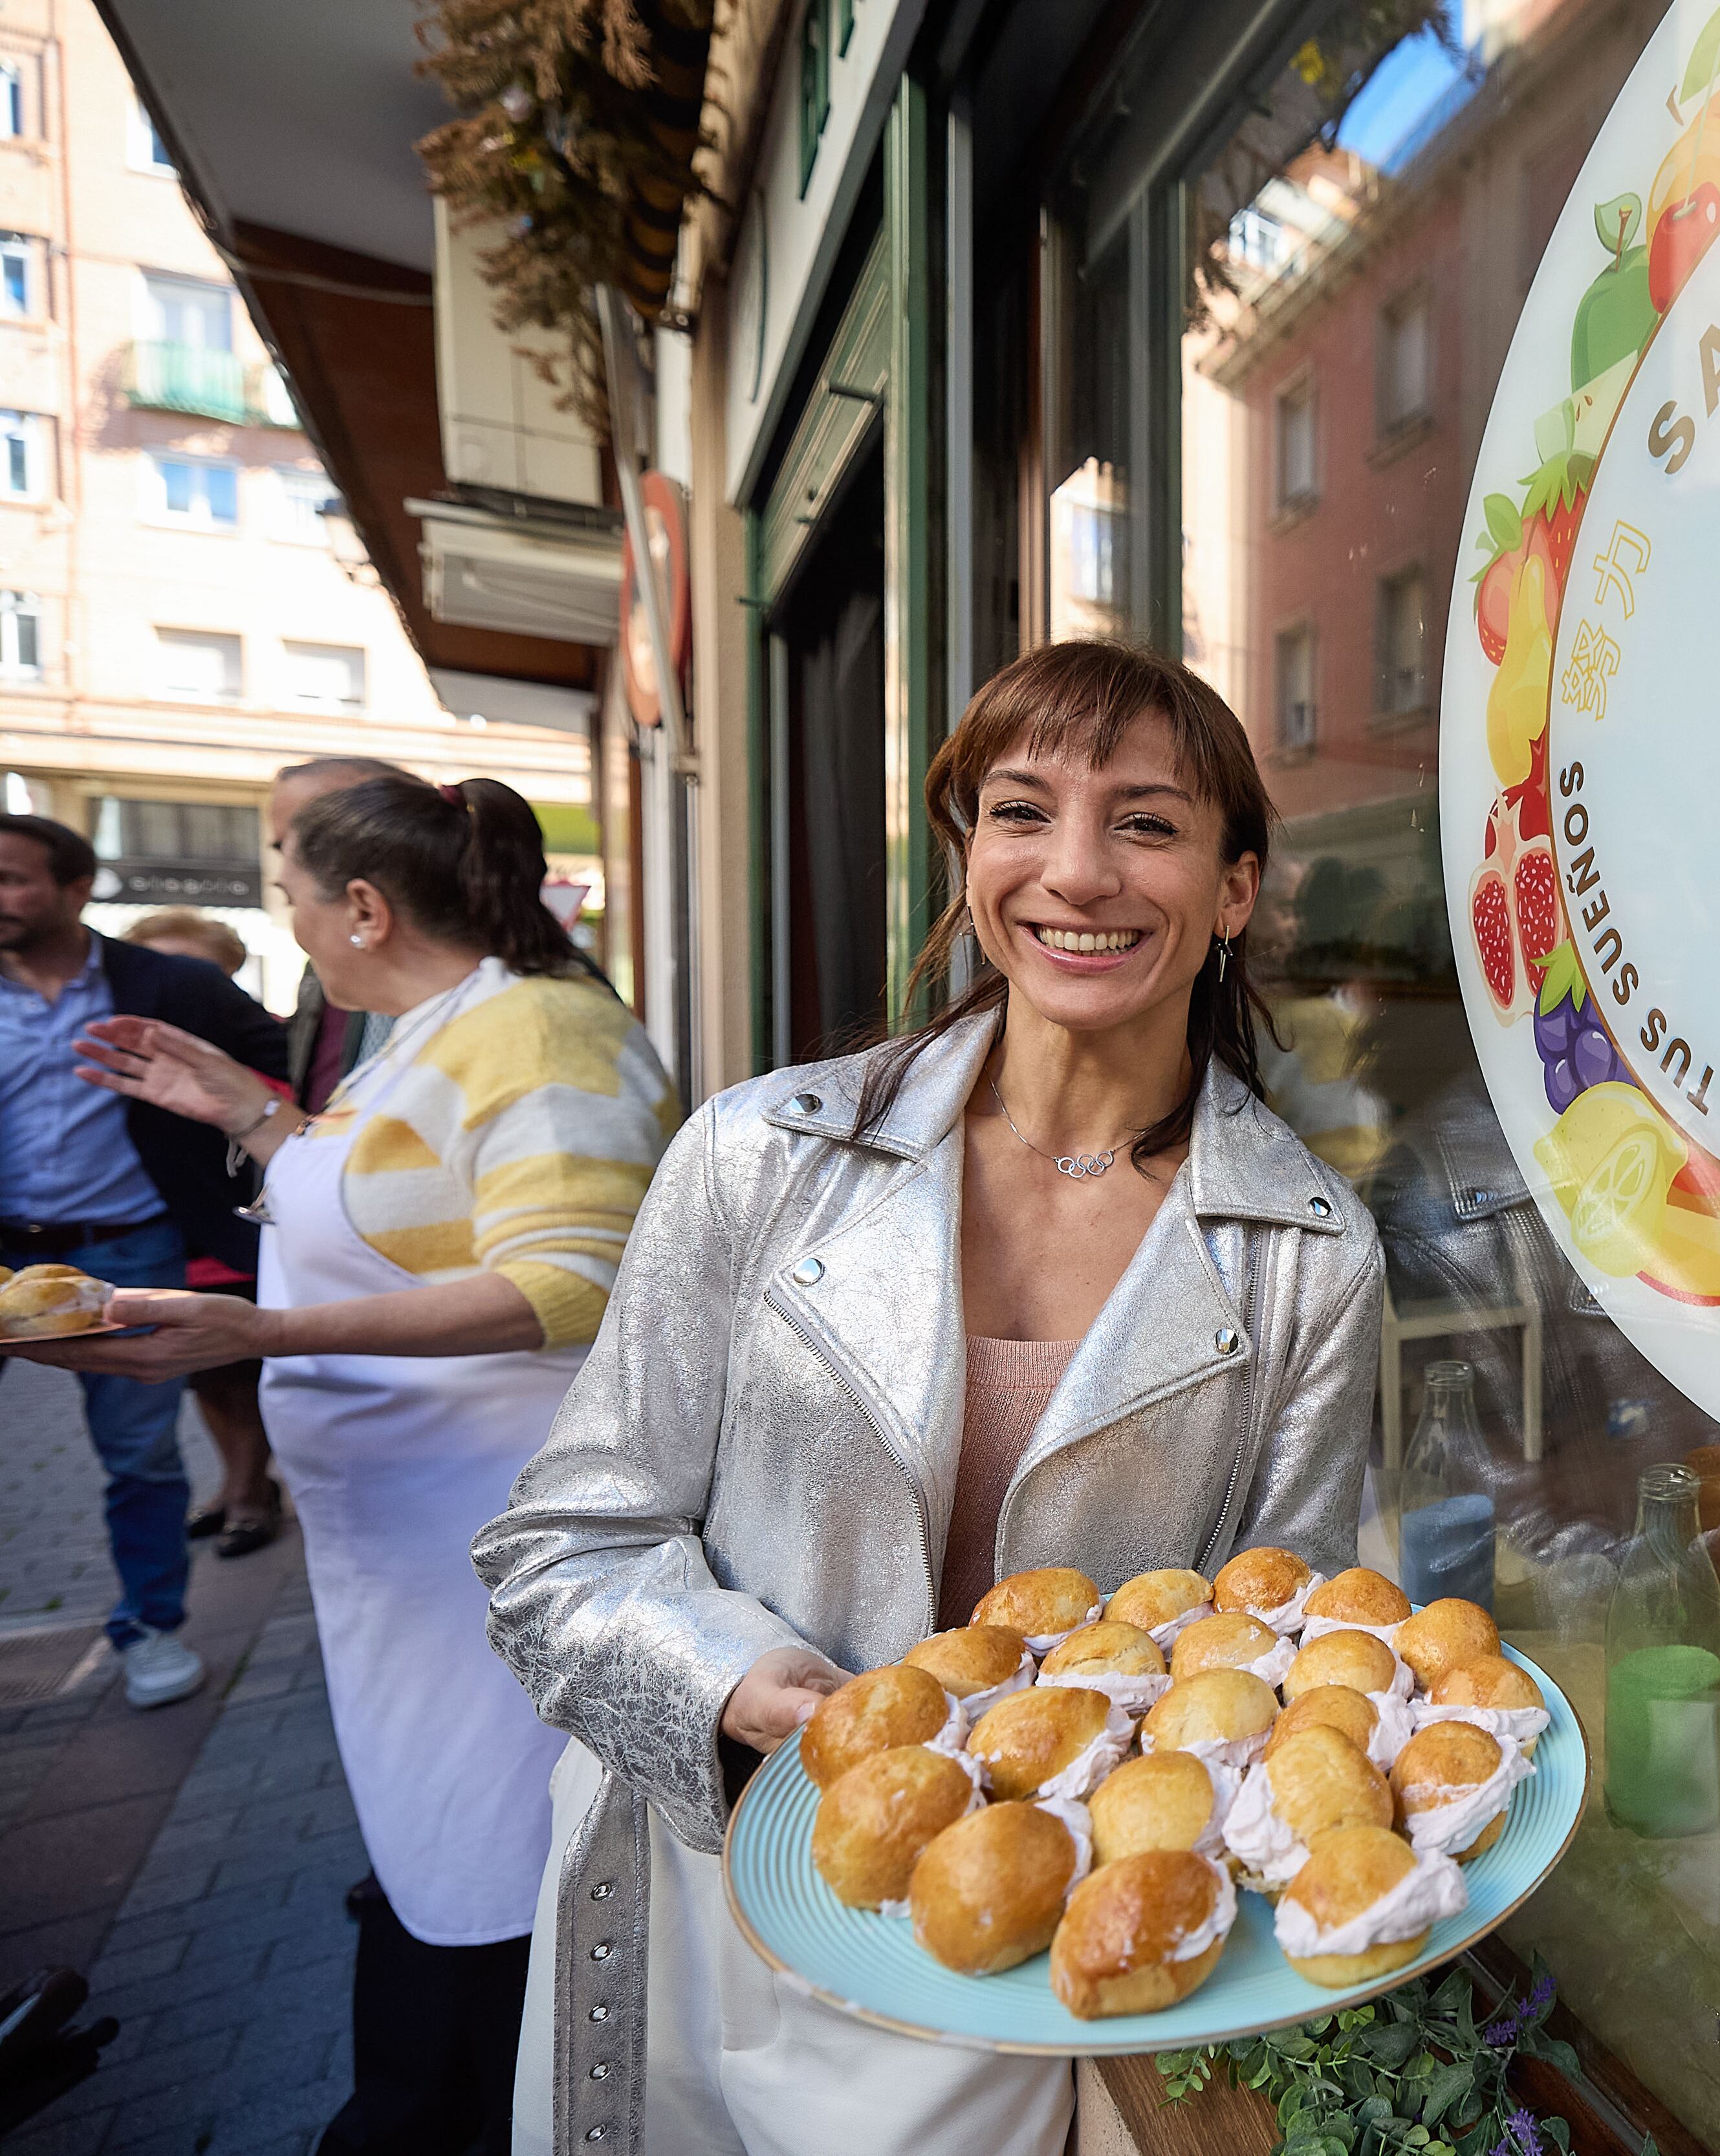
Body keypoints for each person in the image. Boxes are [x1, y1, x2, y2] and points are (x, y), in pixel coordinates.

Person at [473, 641, 1382, 2156]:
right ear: (969, 857)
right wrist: (724, 1680)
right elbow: (557, 1549)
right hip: (727, 1926)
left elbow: (1279, 1660)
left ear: (1234, 890)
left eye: (1147, 824)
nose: (1077, 873)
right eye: (1024, 813)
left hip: (1040, 1967)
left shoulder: (1307, 1255)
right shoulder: (759, 1160)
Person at [31, 775, 676, 2153]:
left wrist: (263, 1327)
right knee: (441, 1846)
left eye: (297, 896)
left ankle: (479, 2106)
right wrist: (252, 1114)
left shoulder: (543, 1027)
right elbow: (404, 1199)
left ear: (368, 908)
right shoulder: (423, 1032)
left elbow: (573, 1282)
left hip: (502, 1548)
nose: (298, 924)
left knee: (498, 1855)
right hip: (402, 1558)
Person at [0, 815, 285, 1706]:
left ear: (78, 887)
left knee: (142, 1457)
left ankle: (150, 1628)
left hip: (129, 1249)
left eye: (13, 879)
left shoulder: (171, 985)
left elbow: (285, 1069)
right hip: (7, 1248)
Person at [120, 907, 285, 1556]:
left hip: (231, 1228)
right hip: (160, 1231)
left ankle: (250, 1489)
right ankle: (236, 1481)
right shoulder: (116, 1051)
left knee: (241, 1368)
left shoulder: (257, 1044)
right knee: (204, 1377)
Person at [272, 756, 415, 1111]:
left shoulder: (489, 996)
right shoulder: (328, 959)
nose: (291, 864)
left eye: (319, 838)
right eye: (283, 844)